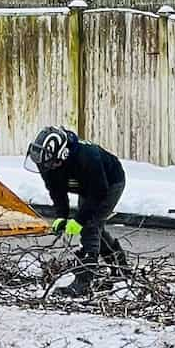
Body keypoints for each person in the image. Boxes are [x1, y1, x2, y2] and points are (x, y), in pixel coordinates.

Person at [25, 126, 128, 296]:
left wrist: (79, 220)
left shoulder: (87, 158)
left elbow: (98, 193)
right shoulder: (47, 162)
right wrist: (61, 215)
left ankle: (84, 281)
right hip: (84, 185)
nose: (47, 168)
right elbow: (56, 190)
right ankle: (120, 267)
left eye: (51, 164)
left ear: (63, 155)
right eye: (45, 165)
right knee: (95, 228)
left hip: (108, 183)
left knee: (90, 225)